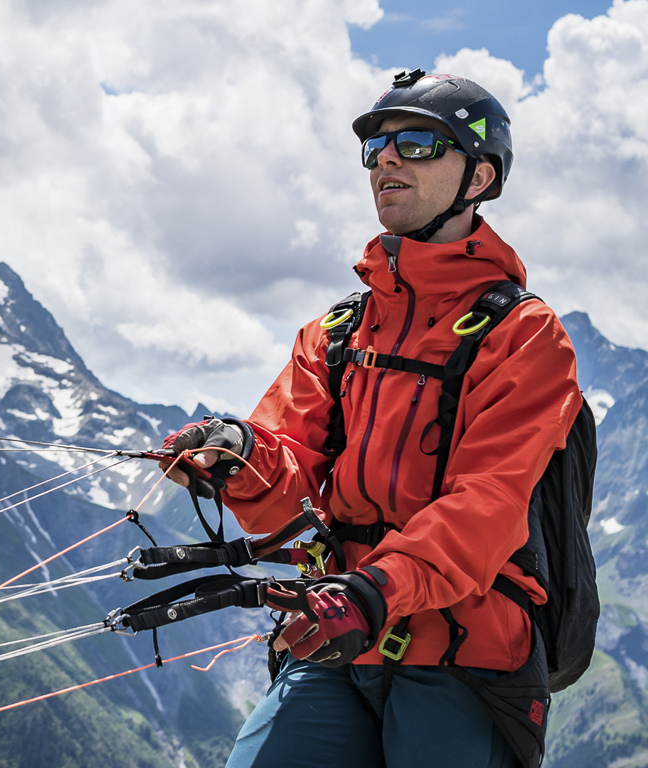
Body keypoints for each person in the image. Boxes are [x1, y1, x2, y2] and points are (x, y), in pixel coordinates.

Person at [161, 69, 584, 768]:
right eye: (378, 149)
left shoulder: (524, 336)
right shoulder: (336, 332)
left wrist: (374, 591)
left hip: (461, 658)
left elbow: (489, 505)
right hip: (334, 637)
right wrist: (238, 456)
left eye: (417, 144)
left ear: (478, 178)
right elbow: (291, 475)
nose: (386, 160)